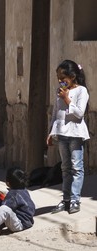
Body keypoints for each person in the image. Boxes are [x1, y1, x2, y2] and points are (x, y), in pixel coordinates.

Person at [47, 60, 89, 214]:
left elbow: (79, 113)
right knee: (65, 167)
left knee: (77, 167)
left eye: (62, 77)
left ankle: (75, 199)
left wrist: (67, 99)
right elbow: (55, 112)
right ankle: (65, 199)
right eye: (58, 77)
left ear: (72, 76)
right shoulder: (59, 90)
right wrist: (51, 131)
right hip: (62, 133)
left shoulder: (81, 91)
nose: (60, 81)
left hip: (76, 134)